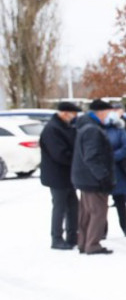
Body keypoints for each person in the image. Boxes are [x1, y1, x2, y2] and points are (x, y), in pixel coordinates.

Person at [71, 100, 117, 255]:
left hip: (84, 177)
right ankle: (93, 244)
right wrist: (103, 176)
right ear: (102, 112)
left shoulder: (85, 126)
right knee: (98, 212)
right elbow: (91, 157)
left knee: (86, 212)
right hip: (92, 178)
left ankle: (84, 243)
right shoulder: (93, 130)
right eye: (110, 111)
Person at [39, 101, 81, 250]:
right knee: (60, 207)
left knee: (73, 206)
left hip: (68, 175)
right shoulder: (52, 129)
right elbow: (59, 154)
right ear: (64, 113)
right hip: (57, 175)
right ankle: (56, 238)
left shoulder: (65, 127)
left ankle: (72, 236)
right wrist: (77, 160)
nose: (74, 117)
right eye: (73, 114)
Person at [105, 104, 126, 237]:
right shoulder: (99, 129)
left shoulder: (120, 129)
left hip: (118, 169)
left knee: (120, 201)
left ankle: (125, 227)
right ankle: (102, 229)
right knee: (102, 202)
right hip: (104, 169)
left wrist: (112, 157)